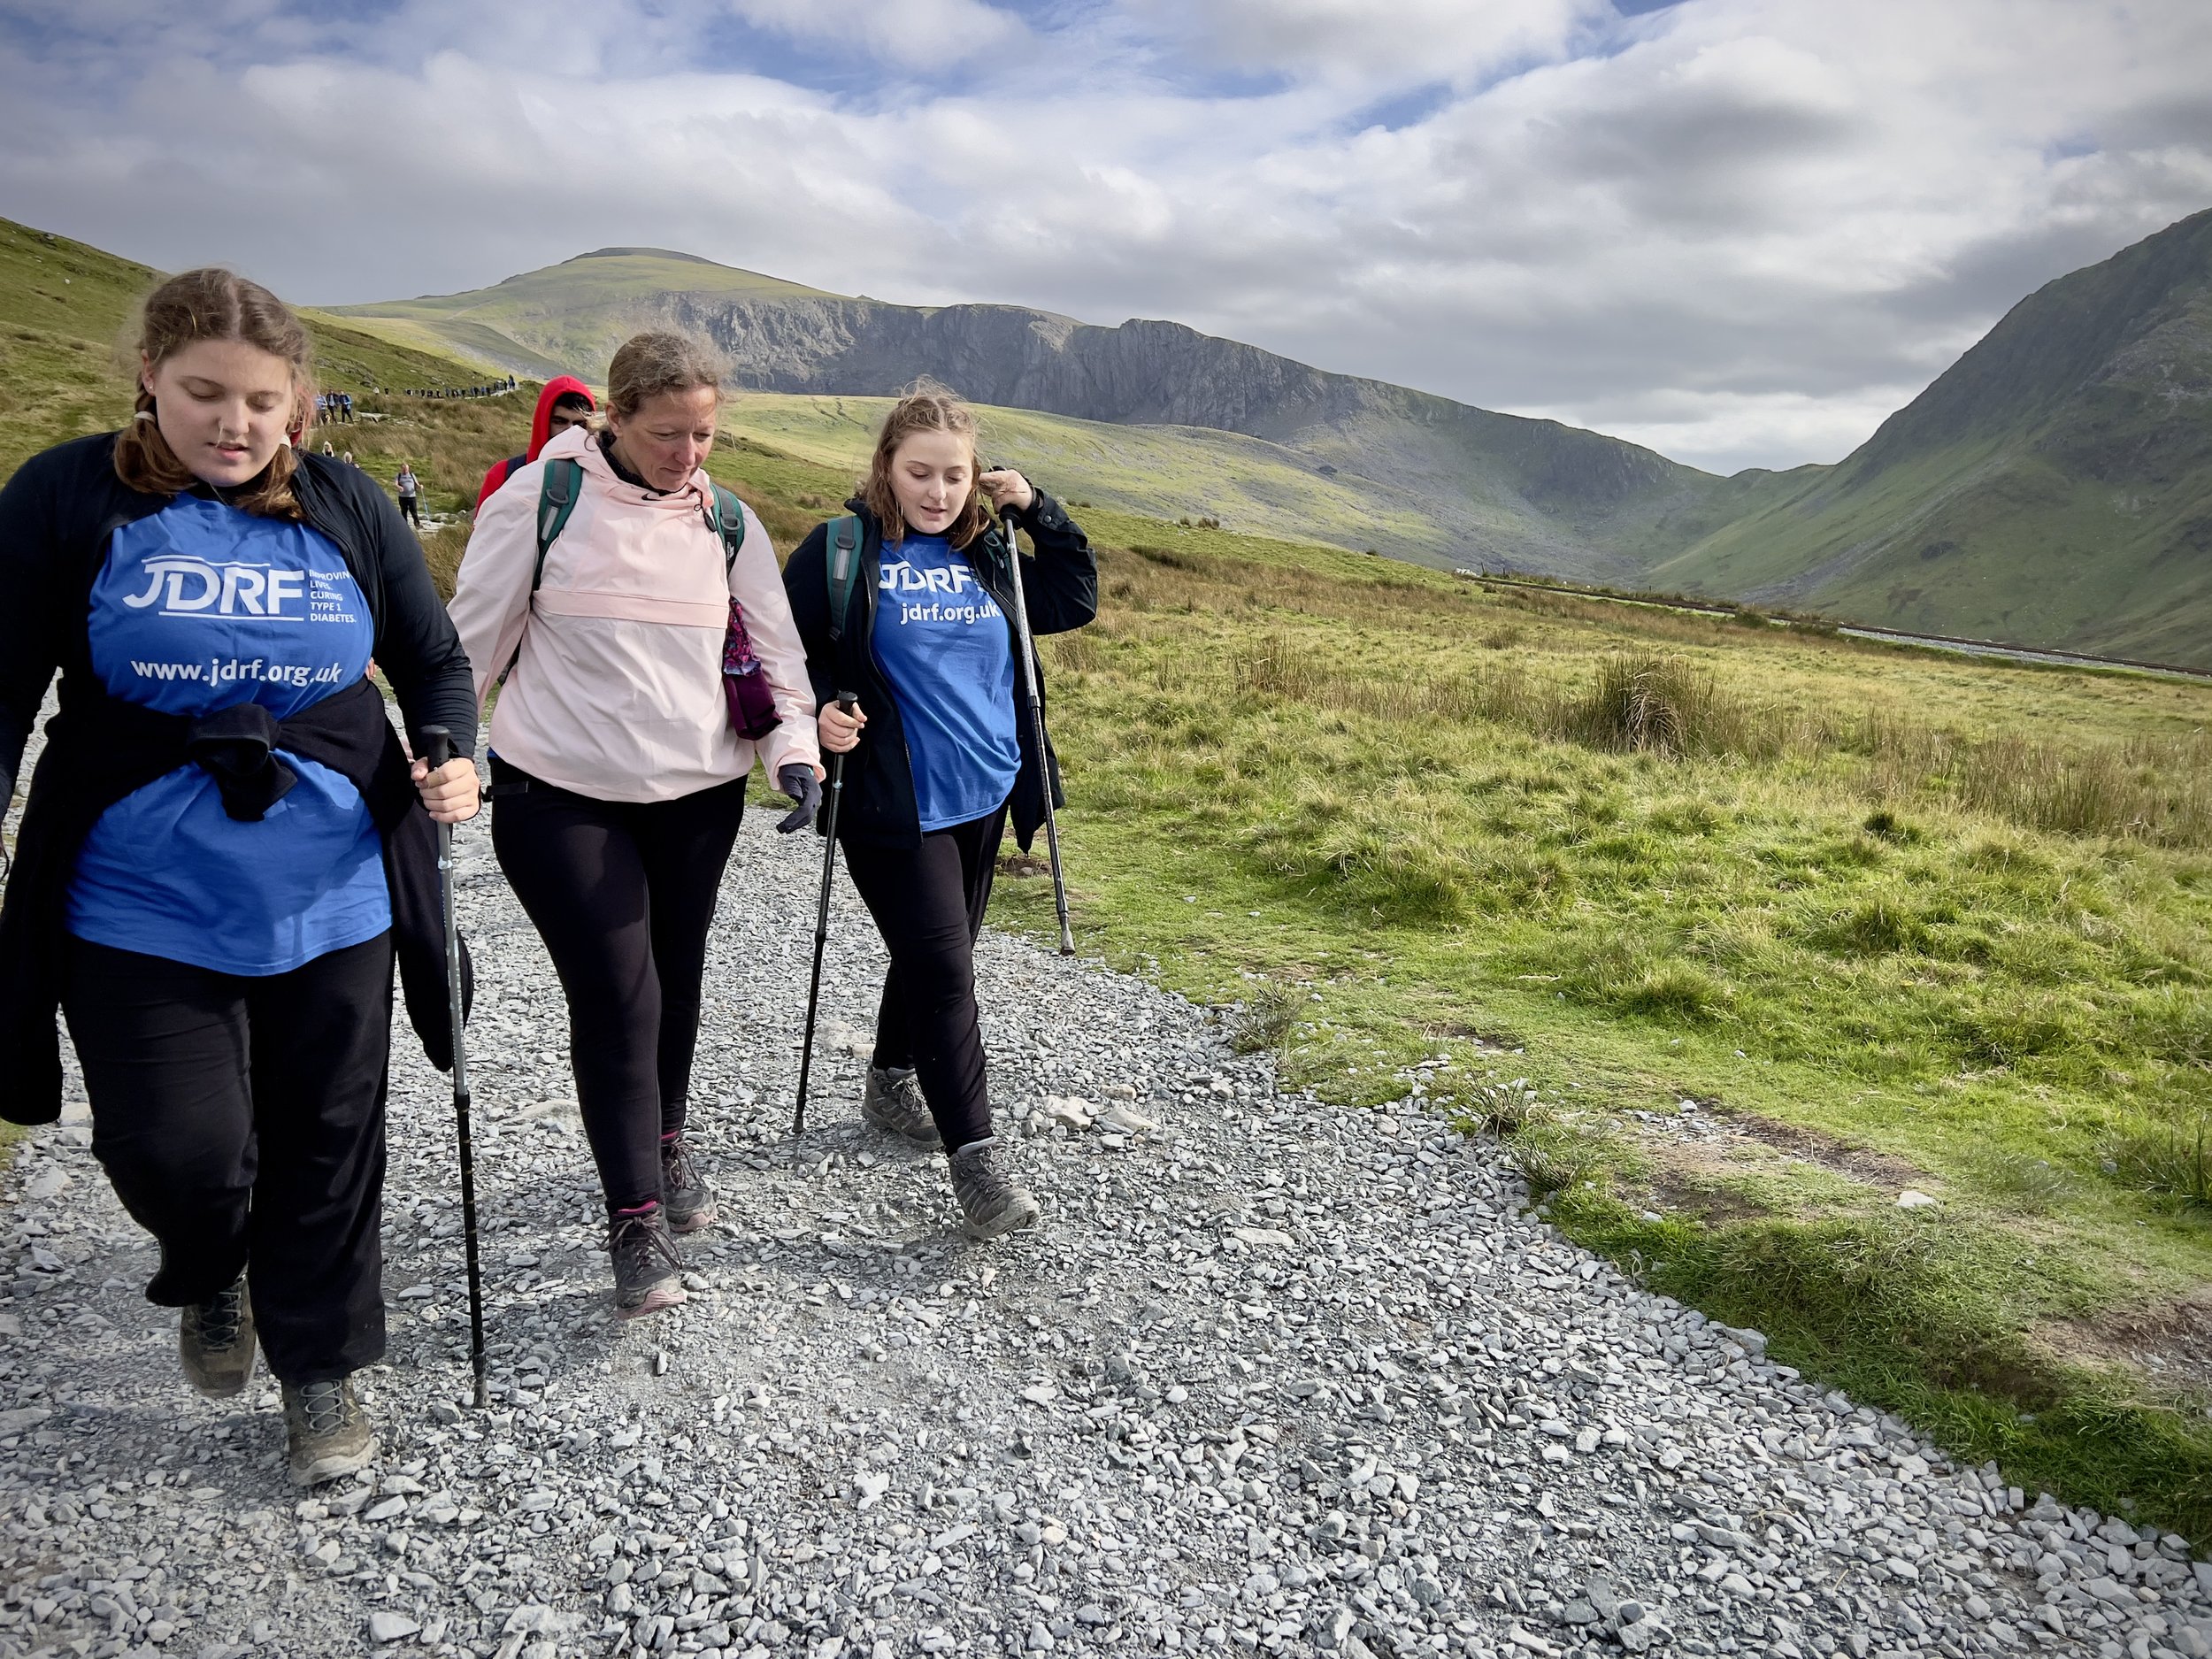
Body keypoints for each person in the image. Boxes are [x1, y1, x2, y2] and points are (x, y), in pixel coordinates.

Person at [0, 267, 481, 1486]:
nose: (233, 422)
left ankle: (319, 1357)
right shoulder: (67, 497)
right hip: (137, 896)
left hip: (339, 891)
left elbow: (433, 662)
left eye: (261, 401)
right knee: (177, 1152)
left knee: (330, 1134)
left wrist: (453, 755)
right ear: (148, 380)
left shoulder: (345, 502)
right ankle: (214, 1268)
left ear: (298, 404)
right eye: (204, 392)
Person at [448, 331, 821, 1319]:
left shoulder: (726, 519)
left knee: (675, 973)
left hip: (697, 798)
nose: (686, 455)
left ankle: (666, 1133)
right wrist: (438, 754)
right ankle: (634, 1216)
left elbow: (777, 653)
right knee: (618, 993)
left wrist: (795, 754)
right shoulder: (539, 500)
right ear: (613, 418)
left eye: (703, 434)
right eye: (665, 434)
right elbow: (468, 644)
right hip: (559, 794)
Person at [781, 383, 1096, 1239]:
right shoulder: (842, 551)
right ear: (886, 466)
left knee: (936, 949)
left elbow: (1074, 597)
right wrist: (817, 707)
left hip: (987, 789)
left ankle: (889, 1078)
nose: (938, 491)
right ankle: (978, 1161)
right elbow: (778, 647)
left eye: (955, 475)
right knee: (949, 973)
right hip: (893, 801)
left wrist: (1039, 511)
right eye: (920, 472)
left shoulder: (988, 554)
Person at [475, 376, 596, 511]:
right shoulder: (502, 476)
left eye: (580, 424)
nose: (571, 431)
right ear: (543, 422)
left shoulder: (601, 481)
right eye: (559, 422)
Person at [395, 461, 421, 527]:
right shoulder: (399, 475)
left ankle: (417, 524)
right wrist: (399, 487)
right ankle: (404, 525)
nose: (406, 470)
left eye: (407, 469)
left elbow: (417, 484)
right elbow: (396, 484)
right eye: (404, 469)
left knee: (414, 511)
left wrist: (420, 486)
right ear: (401, 469)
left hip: (412, 496)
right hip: (402, 497)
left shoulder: (412, 475)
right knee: (404, 511)